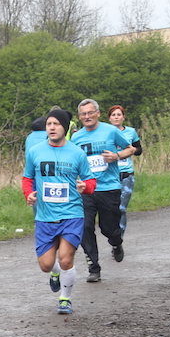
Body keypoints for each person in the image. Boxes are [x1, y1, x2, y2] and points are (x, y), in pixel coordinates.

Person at [23, 109, 96, 314]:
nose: (52, 128)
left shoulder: (77, 153)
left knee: (65, 258)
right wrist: (28, 194)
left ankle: (65, 299)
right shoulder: (35, 151)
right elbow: (27, 178)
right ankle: (55, 273)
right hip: (45, 216)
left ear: (64, 127)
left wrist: (86, 187)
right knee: (46, 265)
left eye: (56, 124)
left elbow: (90, 181)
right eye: (49, 124)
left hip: (71, 214)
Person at [70, 99, 136, 283]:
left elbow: (130, 149)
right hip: (86, 190)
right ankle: (94, 267)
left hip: (109, 188)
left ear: (98, 113)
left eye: (90, 113)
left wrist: (116, 156)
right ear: (79, 117)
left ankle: (116, 242)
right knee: (85, 227)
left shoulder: (111, 131)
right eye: (83, 114)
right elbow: (73, 162)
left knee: (109, 228)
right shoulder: (76, 138)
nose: (87, 117)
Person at [108, 105, 143, 234]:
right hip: (110, 175)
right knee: (110, 210)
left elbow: (139, 150)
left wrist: (131, 150)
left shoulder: (131, 132)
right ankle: (112, 234)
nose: (116, 117)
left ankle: (119, 238)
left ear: (123, 117)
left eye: (119, 115)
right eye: (113, 115)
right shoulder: (105, 133)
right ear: (109, 118)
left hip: (126, 174)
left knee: (121, 208)